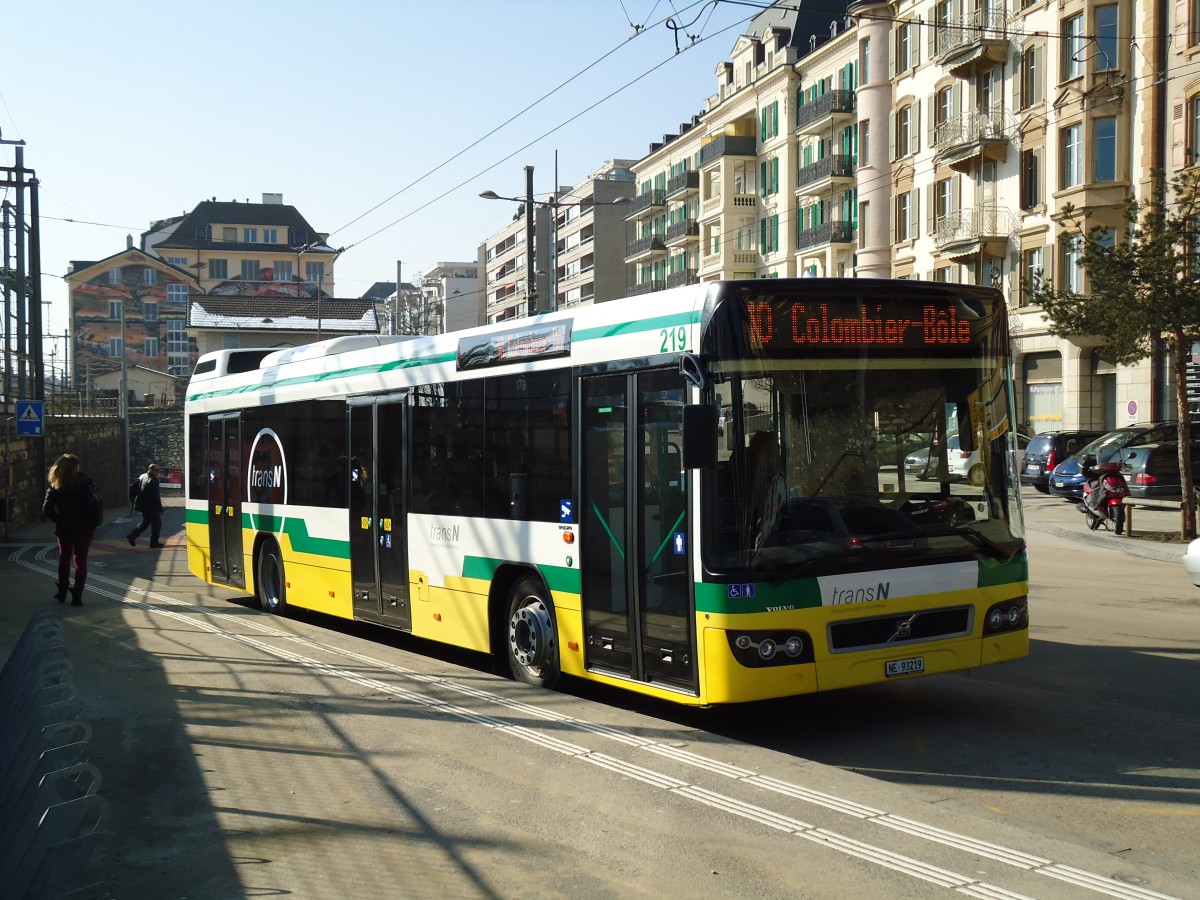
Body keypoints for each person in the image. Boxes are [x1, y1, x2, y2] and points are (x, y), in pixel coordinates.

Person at [42, 453, 97, 606]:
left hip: (64, 527)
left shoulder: (56, 484)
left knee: (64, 560)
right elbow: (96, 502)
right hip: (85, 527)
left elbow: (47, 509)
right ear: (76, 466)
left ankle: (62, 593)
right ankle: (77, 596)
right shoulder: (86, 481)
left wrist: (58, 519)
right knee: (80, 561)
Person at [127, 463, 165, 548]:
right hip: (150, 506)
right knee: (157, 524)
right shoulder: (153, 481)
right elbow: (156, 497)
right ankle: (154, 542)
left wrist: (133, 499)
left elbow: (133, 486)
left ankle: (132, 535)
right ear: (151, 469)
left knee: (146, 522)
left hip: (142, 505)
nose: (158, 472)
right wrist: (161, 509)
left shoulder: (142, 476)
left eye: (158, 470)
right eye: (156, 470)